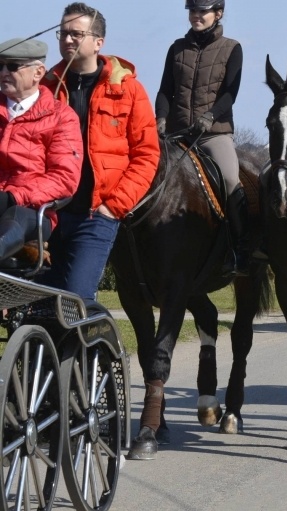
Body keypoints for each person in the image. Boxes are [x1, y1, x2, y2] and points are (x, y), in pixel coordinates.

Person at [42, 2, 160, 303]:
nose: (67, 40)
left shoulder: (129, 90)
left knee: (76, 301)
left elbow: (146, 154)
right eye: (63, 33)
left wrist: (113, 207)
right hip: (49, 215)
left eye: (75, 34)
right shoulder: (45, 88)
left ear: (98, 42)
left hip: (96, 215)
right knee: (37, 303)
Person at [155, 0, 251, 275]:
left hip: (213, 133)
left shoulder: (232, 48)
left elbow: (230, 94)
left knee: (231, 180)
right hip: (177, 133)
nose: (196, 16)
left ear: (218, 14)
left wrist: (210, 116)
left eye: (202, 11)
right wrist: (161, 117)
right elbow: (165, 90)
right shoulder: (177, 48)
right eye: (192, 11)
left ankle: (241, 249)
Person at [0, 38, 82, 260]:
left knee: (14, 217)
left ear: (38, 73)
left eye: (13, 66)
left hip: (30, 212)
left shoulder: (61, 117)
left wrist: (12, 197)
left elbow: (64, 178)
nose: (4, 72)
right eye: (0, 66)